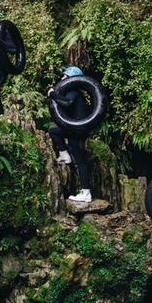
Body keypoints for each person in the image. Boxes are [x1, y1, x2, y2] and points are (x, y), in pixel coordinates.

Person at [48, 66, 93, 203]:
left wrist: (53, 94)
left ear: (71, 79)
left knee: (79, 160)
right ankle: (64, 155)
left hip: (76, 129)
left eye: (64, 76)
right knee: (54, 131)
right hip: (76, 128)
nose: (62, 78)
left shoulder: (74, 91)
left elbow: (67, 103)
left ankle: (86, 192)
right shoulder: (75, 92)